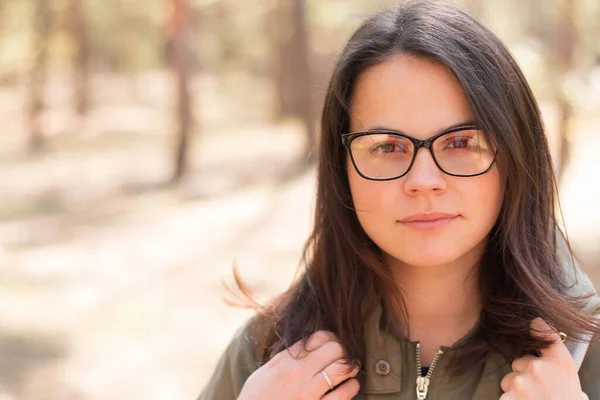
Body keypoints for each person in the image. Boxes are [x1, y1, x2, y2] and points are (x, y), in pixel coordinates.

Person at [198, 1, 600, 399]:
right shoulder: (268, 354)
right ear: (343, 170)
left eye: (461, 142)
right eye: (388, 146)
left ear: (515, 154)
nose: (423, 181)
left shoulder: (587, 353)